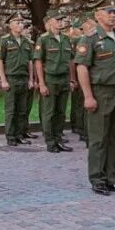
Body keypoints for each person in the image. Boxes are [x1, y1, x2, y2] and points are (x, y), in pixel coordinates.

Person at [74, 0, 115, 196]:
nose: (113, 15)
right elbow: (82, 68)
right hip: (101, 93)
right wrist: (88, 96)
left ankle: (112, 177)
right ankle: (97, 179)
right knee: (99, 139)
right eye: (109, 12)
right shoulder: (90, 39)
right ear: (98, 15)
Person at [35, 13, 74, 152]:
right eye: (57, 20)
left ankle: (59, 139)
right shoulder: (43, 39)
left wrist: (72, 79)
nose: (60, 22)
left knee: (61, 112)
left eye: (61, 20)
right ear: (50, 22)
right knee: (49, 112)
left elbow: (71, 61)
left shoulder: (65, 39)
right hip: (50, 79)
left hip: (64, 79)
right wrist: (41, 83)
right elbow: (38, 62)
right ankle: (50, 142)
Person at [0, 13, 34, 146]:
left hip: (24, 78)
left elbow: (30, 62)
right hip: (11, 78)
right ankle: (10, 136)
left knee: (22, 110)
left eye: (21, 22)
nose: (20, 25)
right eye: (17, 22)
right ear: (10, 25)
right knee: (11, 110)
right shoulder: (5, 41)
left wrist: (31, 79)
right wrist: (3, 79)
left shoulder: (26, 41)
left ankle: (19, 134)